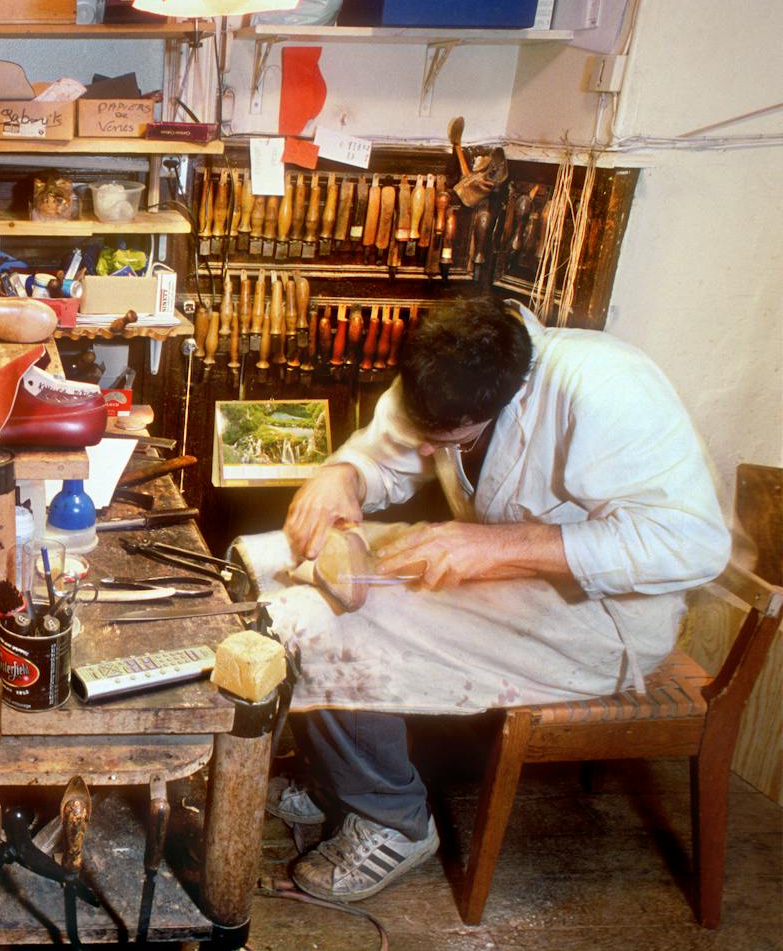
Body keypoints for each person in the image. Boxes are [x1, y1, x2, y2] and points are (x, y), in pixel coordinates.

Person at [249, 296, 727, 905]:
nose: (426, 453)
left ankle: (391, 820)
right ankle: (340, 783)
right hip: (510, 577)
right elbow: (391, 452)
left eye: (443, 441)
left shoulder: (606, 388)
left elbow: (691, 545)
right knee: (270, 565)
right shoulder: (451, 357)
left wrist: (507, 546)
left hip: (601, 616)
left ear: (507, 395)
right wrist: (345, 475)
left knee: (320, 624)